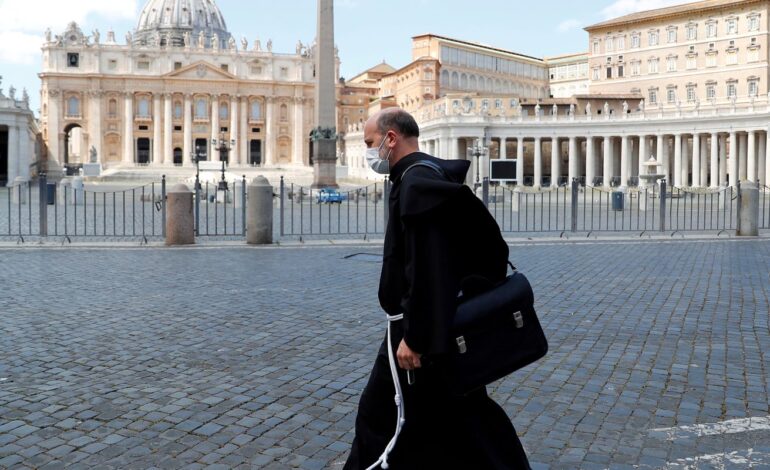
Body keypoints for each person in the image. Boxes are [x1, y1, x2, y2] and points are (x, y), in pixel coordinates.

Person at [344, 108, 531, 469]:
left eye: (370, 143)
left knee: (377, 415)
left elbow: (430, 266)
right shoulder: (427, 174)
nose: (369, 151)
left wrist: (414, 336)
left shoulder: (416, 185)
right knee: (460, 414)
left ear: (391, 138)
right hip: (435, 322)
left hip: (418, 327)